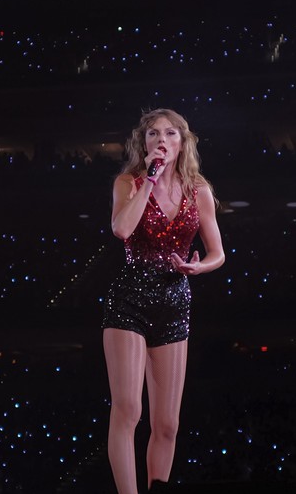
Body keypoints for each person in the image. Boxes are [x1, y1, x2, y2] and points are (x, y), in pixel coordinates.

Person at [102, 108, 225, 493]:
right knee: (129, 410)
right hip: (129, 300)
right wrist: (149, 182)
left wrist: (198, 268)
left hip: (174, 300)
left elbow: (217, 252)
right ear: (144, 143)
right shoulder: (129, 182)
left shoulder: (198, 190)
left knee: (168, 424)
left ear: (181, 142)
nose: (161, 141)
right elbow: (122, 229)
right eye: (153, 134)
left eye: (169, 134)